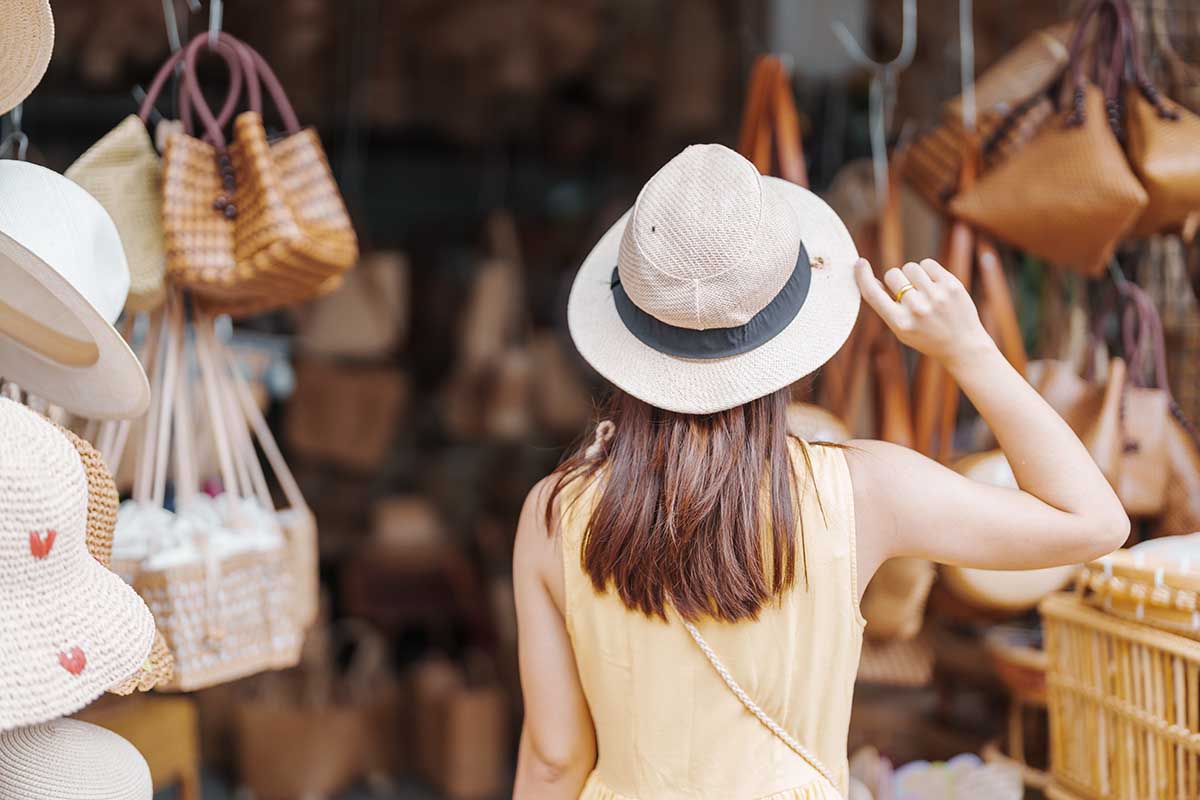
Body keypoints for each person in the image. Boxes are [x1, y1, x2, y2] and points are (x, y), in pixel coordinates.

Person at [512, 145, 1128, 800]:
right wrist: (968, 350)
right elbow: (1090, 521)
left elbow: (554, 760)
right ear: (787, 346)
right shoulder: (862, 492)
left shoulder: (554, 512)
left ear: (629, 333)